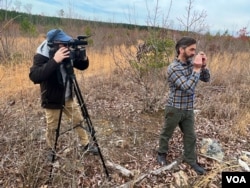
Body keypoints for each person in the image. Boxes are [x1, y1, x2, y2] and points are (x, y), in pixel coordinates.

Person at [29, 29, 98, 160]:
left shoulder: (66, 50)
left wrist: (83, 57)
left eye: (66, 43)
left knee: (78, 120)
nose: (65, 46)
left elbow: (82, 66)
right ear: (53, 44)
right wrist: (55, 60)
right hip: (52, 98)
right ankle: (51, 150)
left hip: (68, 96)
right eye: (62, 44)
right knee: (52, 127)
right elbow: (35, 76)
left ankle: (86, 144)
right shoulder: (42, 55)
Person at [156, 36, 210, 175]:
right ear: (181, 49)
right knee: (167, 133)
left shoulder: (191, 64)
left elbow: (206, 78)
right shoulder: (173, 68)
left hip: (188, 109)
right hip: (175, 108)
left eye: (195, 50)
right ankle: (161, 153)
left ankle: (190, 160)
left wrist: (203, 66)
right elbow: (187, 87)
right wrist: (197, 69)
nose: (193, 53)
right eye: (191, 49)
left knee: (191, 136)